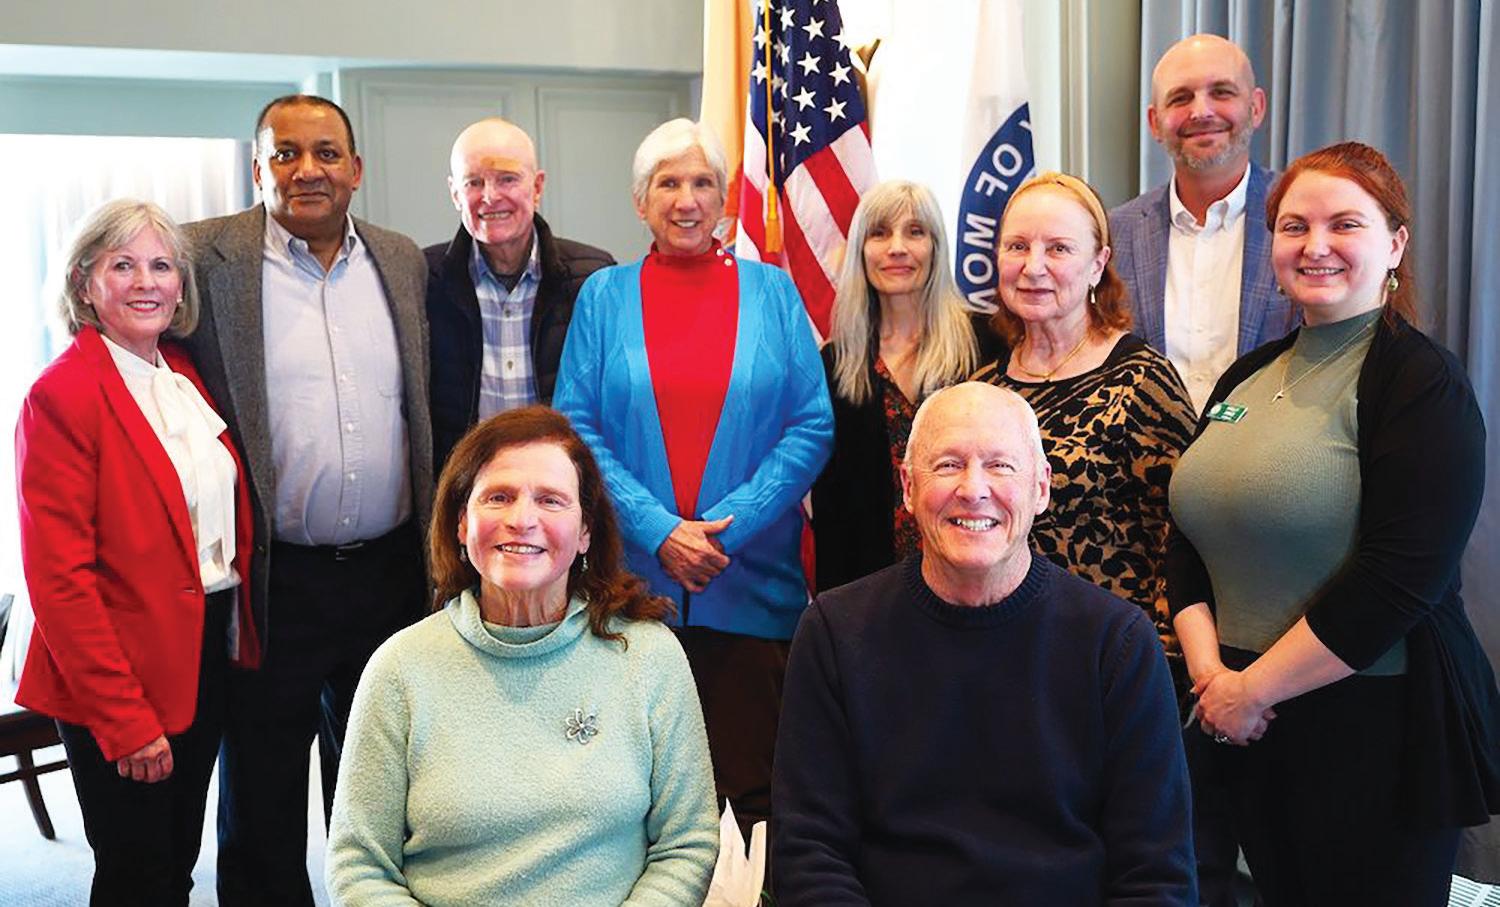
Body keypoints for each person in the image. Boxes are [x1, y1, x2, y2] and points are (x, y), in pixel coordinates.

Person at [1168, 141, 1500, 906]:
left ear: (1395, 244)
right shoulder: (1248, 374)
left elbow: (1399, 580)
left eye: (1343, 224)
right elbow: (1187, 533)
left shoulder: (1422, 382)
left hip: (1375, 730)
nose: (1315, 245)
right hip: (1240, 723)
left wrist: (1250, 690)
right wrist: (1213, 676)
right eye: (1294, 226)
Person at [774, 382, 1195, 905]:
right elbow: (810, 854)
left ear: (1041, 488)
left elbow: (1156, 875)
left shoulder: (1116, 643)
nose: (973, 489)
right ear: (908, 487)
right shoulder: (835, 632)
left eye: (1001, 466)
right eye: (948, 465)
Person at [181, 94, 434, 905]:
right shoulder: (202, 257)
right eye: (285, 154)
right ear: (258, 169)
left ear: (356, 169)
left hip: (389, 573)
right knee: (262, 791)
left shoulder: (400, 259)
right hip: (272, 575)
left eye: (326, 153)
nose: (307, 170)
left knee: (386, 784)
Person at [553, 118, 832, 836]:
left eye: (702, 182)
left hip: (751, 591)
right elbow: (576, 428)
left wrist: (720, 533)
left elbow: (811, 423)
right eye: (667, 183)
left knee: (752, 805)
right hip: (630, 594)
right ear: (639, 201)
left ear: (723, 198)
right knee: (631, 804)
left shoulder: (773, 293)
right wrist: (659, 531)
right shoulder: (603, 297)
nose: (686, 199)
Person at [325, 406, 718, 905]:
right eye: (499, 497)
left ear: (585, 532)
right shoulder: (399, 668)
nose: (521, 520)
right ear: (462, 523)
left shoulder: (648, 656)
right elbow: (358, 865)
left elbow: (687, 845)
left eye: (550, 500)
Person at [14, 199, 258, 905]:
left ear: (181, 285)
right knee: (135, 873)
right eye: (122, 265)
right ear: (85, 282)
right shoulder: (61, 395)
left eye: (161, 265)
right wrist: (123, 720)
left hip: (202, 649)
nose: (146, 281)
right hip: (119, 668)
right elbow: (60, 582)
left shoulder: (181, 372)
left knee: (176, 859)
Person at [972, 171, 1195, 646]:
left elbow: (1183, 539)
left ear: (1098, 264)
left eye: (1058, 248)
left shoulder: (1141, 381)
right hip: (999, 650)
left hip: (1111, 653)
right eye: (1017, 246)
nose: (1033, 266)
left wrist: (1163, 660)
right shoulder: (983, 390)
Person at [812, 179, 1001, 592]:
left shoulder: (988, 343)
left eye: (915, 232)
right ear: (861, 250)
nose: (897, 247)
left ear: (936, 247)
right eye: (879, 233)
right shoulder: (836, 363)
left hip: (978, 577)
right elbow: (831, 506)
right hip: (871, 588)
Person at [1110, 33, 1297, 415]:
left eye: (1222, 92)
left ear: (1256, 107)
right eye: (1180, 98)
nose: (1201, 111)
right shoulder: (1114, 234)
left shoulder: (1303, 222)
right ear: (1154, 122)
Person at [427, 117, 615, 470]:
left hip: (563, 483)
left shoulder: (593, 277)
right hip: (466, 485)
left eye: (507, 179)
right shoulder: (426, 279)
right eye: (473, 182)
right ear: (455, 194)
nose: (489, 196)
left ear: (537, 186)